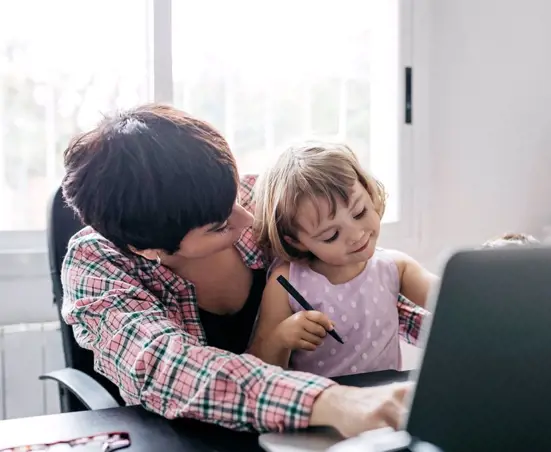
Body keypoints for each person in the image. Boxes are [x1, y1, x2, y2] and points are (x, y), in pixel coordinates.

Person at [59, 104, 429, 436]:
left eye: (233, 196)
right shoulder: (96, 266)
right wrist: (332, 403)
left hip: (309, 434)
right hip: (191, 439)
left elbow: (362, 287)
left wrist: (455, 330)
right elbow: (169, 369)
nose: (249, 218)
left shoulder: (265, 198)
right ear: (148, 249)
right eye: (218, 226)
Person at [249, 142, 437, 378]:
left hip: (383, 403)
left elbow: (452, 299)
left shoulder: (395, 267)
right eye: (331, 235)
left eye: (360, 212)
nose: (357, 235)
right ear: (296, 241)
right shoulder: (286, 282)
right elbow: (257, 370)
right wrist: (281, 338)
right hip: (323, 408)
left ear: (369, 192)